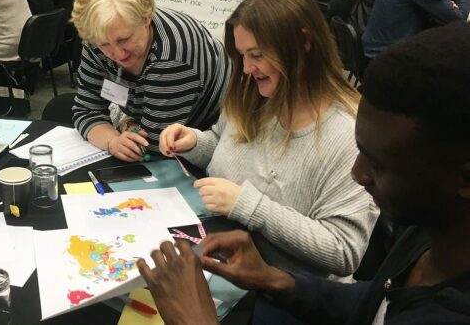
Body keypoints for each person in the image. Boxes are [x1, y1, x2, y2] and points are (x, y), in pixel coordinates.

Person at [139, 21, 470, 324]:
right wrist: (273, 279)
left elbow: (346, 255)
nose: (357, 173)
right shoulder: (430, 231)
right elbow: (377, 300)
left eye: (378, 164)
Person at [159, 0, 377, 278]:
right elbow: (222, 144)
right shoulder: (255, 95)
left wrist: (247, 205)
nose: (247, 69)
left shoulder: (347, 135)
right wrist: (195, 142)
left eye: (257, 55)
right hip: (222, 260)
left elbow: (343, 251)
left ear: (304, 43)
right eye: (243, 55)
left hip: (285, 290)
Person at [71, 0, 227, 161]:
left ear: (146, 18)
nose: (118, 54)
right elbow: (86, 110)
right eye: (105, 45)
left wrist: (124, 125)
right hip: (143, 118)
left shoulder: (172, 56)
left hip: (208, 145)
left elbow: (153, 148)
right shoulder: (97, 36)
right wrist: (113, 141)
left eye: (125, 39)